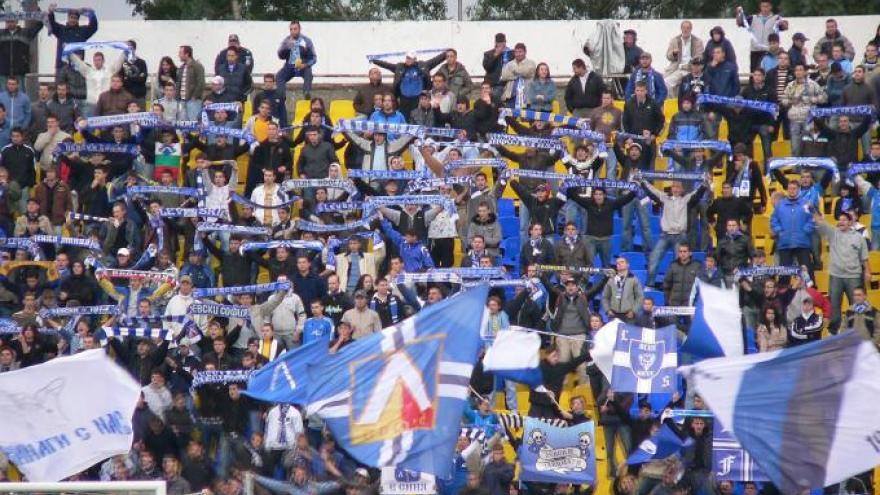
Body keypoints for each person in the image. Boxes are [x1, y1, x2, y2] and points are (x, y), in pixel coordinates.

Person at [641, 178, 707, 288]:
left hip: (680, 236)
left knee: (678, 263)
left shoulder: (686, 199)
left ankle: (675, 287)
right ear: (671, 188)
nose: (675, 189)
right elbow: (652, 191)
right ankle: (649, 285)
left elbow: (698, 193)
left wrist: (704, 184)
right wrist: (642, 182)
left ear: (682, 189)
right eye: (674, 187)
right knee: (653, 258)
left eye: (678, 187)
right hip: (665, 235)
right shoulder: (664, 198)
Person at [813, 210, 870, 333]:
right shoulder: (833, 233)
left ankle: (859, 330)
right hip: (836, 276)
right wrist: (813, 210)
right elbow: (821, 222)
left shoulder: (859, 237)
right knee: (834, 305)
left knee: (856, 304)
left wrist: (867, 271)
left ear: (850, 222)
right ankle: (833, 332)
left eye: (844, 220)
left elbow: (864, 257)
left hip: (854, 276)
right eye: (840, 220)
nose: (841, 222)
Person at [781, 63, 827, 156]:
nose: (798, 72)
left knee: (807, 145)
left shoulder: (812, 84)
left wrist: (813, 99)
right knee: (795, 147)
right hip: (794, 119)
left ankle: (807, 164)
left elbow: (824, 97)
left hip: (808, 119)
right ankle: (796, 164)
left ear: (805, 72)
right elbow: (783, 100)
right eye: (796, 70)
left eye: (800, 70)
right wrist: (790, 101)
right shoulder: (790, 85)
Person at [736, 1, 788, 70]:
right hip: (755, 51)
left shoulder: (776, 18)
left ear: (770, 7)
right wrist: (738, 13)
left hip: (769, 51)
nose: (765, 9)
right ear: (760, 7)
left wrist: (782, 23)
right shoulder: (753, 18)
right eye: (763, 6)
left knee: (769, 71)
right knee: (755, 73)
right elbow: (739, 23)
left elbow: (785, 27)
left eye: (767, 6)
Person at [46, 4, 97, 70]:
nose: (73, 20)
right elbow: (52, 24)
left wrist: (92, 14)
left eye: (75, 18)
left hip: (77, 67)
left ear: (78, 20)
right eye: (71, 17)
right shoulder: (61, 29)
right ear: (68, 18)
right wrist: (51, 13)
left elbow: (93, 27)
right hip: (62, 67)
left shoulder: (83, 31)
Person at [0, 16, 43, 88]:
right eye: (8, 21)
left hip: (20, 70)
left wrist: (38, 12)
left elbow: (39, 25)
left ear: (17, 21)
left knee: (20, 92)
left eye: (12, 21)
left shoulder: (25, 33)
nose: (10, 23)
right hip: (3, 70)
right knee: (3, 93)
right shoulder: (1, 33)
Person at [663, 20, 704, 93]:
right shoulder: (674, 40)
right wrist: (674, 54)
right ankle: (672, 100)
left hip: (692, 69)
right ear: (681, 28)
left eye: (688, 28)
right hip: (676, 69)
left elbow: (700, 57)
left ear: (691, 29)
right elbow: (668, 56)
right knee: (665, 84)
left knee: (695, 88)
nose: (685, 30)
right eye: (684, 27)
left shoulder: (698, 41)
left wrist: (689, 65)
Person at [602, 256, 644, 323]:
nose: (619, 264)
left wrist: (633, 311)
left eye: (622, 262)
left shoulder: (633, 279)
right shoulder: (611, 280)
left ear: (627, 265)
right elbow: (605, 297)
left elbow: (640, 297)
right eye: (617, 263)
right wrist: (608, 310)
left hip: (629, 315)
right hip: (613, 315)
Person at [499, 42, 536, 108]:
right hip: (511, 97)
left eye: (520, 52)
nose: (518, 54)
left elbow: (526, 72)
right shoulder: (509, 63)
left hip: (526, 98)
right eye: (516, 52)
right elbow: (504, 76)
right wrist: (518, 75)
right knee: (508, 115)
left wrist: (513, 70)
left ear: (525, 52)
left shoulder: (531, 63)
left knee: (525, 115)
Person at [175, 45, 206, 122]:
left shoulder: (197, 66)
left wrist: (195, 96)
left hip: (193, 101)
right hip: (181, 101)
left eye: (180, 53)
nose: (179, 55)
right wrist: (177, 98)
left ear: (187, 54)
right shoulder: (181, 68)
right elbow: (178, 83)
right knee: (182, 123)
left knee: (193, 123)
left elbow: (201, 82)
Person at [483, 33, 513, 101]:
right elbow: (487, 67)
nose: (501, 45)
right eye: (499, 43)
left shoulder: (511, 53)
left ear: (505, 42)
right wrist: (496, 55)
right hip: (496, 83)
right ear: (496, 43)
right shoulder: (488, 54)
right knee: (496, 94)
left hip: (509, 83)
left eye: (503, 43)